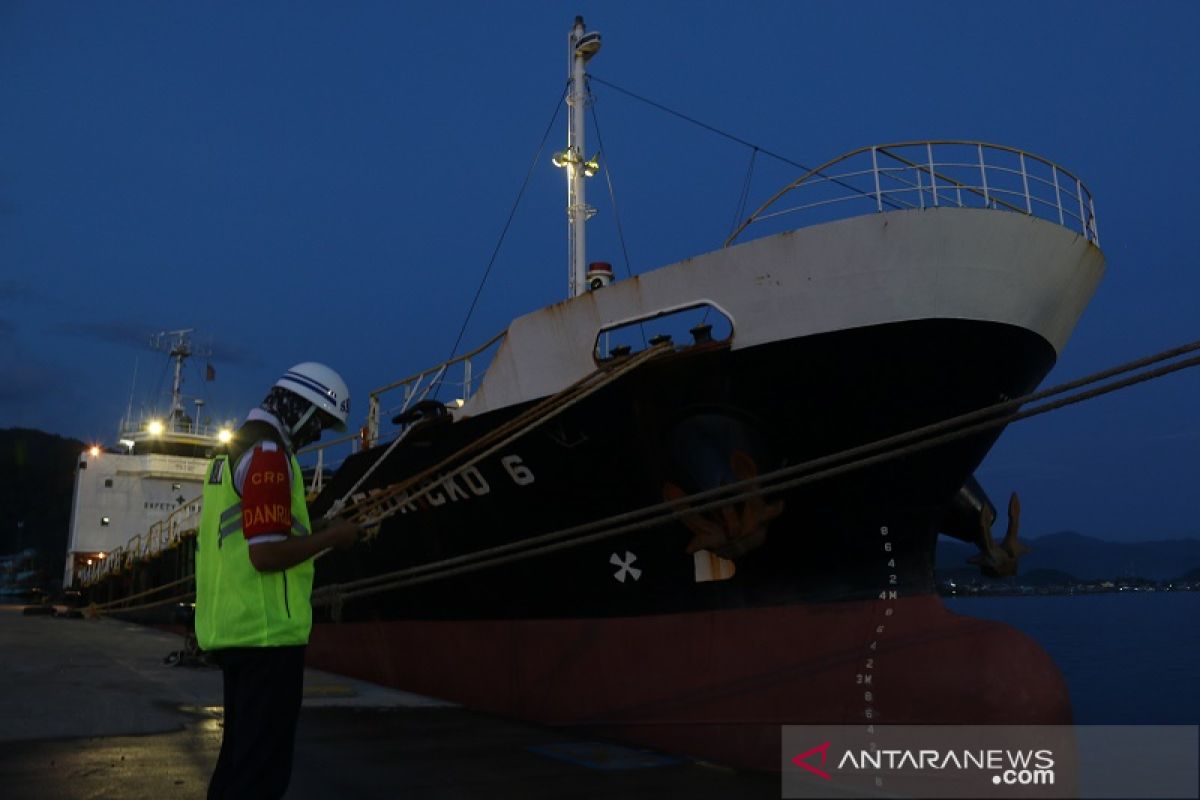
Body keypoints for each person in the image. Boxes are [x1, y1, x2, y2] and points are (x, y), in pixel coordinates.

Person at [196, 362, 361, 799]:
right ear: (301, 410)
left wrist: (322, 524)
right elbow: (266, 554)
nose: (317, 435)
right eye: (320, 423)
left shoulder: (233, 452)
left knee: (237, 764)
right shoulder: (269, 455)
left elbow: (258, 531)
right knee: (260, 776)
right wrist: (334, 539)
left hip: (237, 633)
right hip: (266, 637)